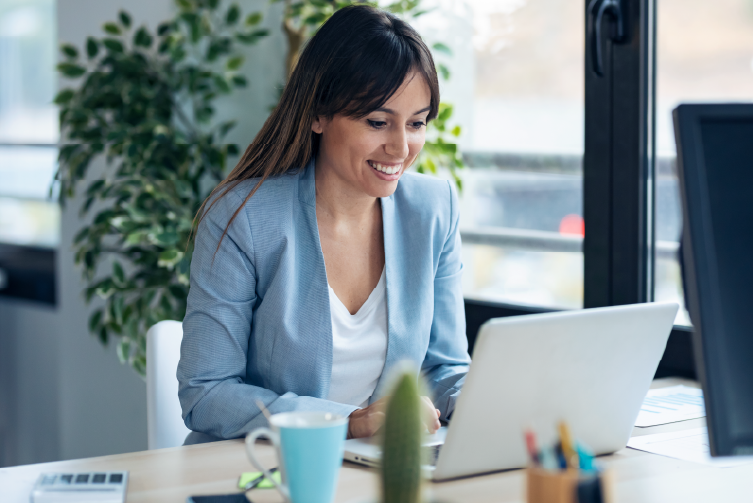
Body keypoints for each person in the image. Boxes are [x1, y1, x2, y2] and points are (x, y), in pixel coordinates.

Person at [177, 4, 470, 445]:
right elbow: (206, 392)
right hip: (263, 469)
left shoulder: (433, 209)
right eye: (377, 122)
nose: (400, 147)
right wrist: (350, 421)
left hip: (380, 471)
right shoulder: (243, 219)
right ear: (318, 114)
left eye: (416, 123)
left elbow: (444, 367)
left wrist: (486, 404)